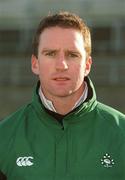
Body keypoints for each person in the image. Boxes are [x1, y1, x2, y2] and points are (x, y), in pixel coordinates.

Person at [0, 11, 125, 180]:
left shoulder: (121, 133)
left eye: (72, 55)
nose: (61, 65)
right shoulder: (5, 136)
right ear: (35, 63)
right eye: (50, 54)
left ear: (87, 65)